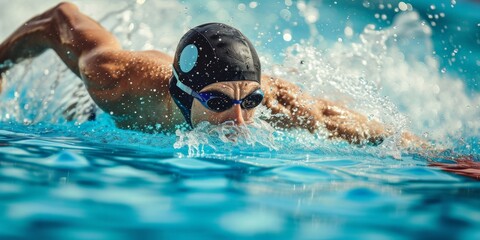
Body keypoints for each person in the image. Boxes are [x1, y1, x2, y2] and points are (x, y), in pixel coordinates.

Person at [0, 2, 423, 148]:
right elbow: (58, 19)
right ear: (183, 95)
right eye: (218, 102)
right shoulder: (115, 78)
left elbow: (343, 122)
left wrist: (436, 158)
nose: (239, 121)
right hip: (89, 111)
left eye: (249, 102)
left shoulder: (267, 97)